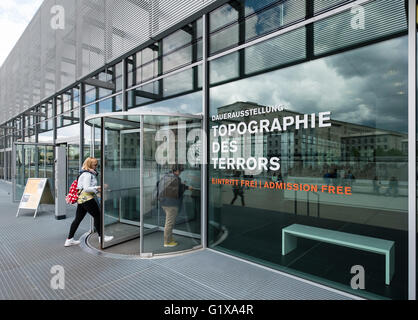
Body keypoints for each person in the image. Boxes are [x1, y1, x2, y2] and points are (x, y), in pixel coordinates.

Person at [65, 157, 114, 247]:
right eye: (95, 164)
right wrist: (99, 187)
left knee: (78, 219)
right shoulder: (87, 174)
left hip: (81, 199)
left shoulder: (84, 173)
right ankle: (101, 237)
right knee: (98, 216)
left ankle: (69, 240)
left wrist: (97, 189)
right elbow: (87, 188)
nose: (96, 166)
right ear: (89, 165)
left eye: (97, 164)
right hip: (87, 199)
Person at [157, 164, 192, 248]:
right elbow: (178, 191)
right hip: (171, 204)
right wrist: (186, 187)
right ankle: (167, 242)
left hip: (164, 202)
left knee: (169, 222)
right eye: (180, 171)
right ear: (176, 171)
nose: (180, 173)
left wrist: (182, 186)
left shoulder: (166, 176)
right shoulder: (176, 178)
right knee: (169, 223)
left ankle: (170, 238)